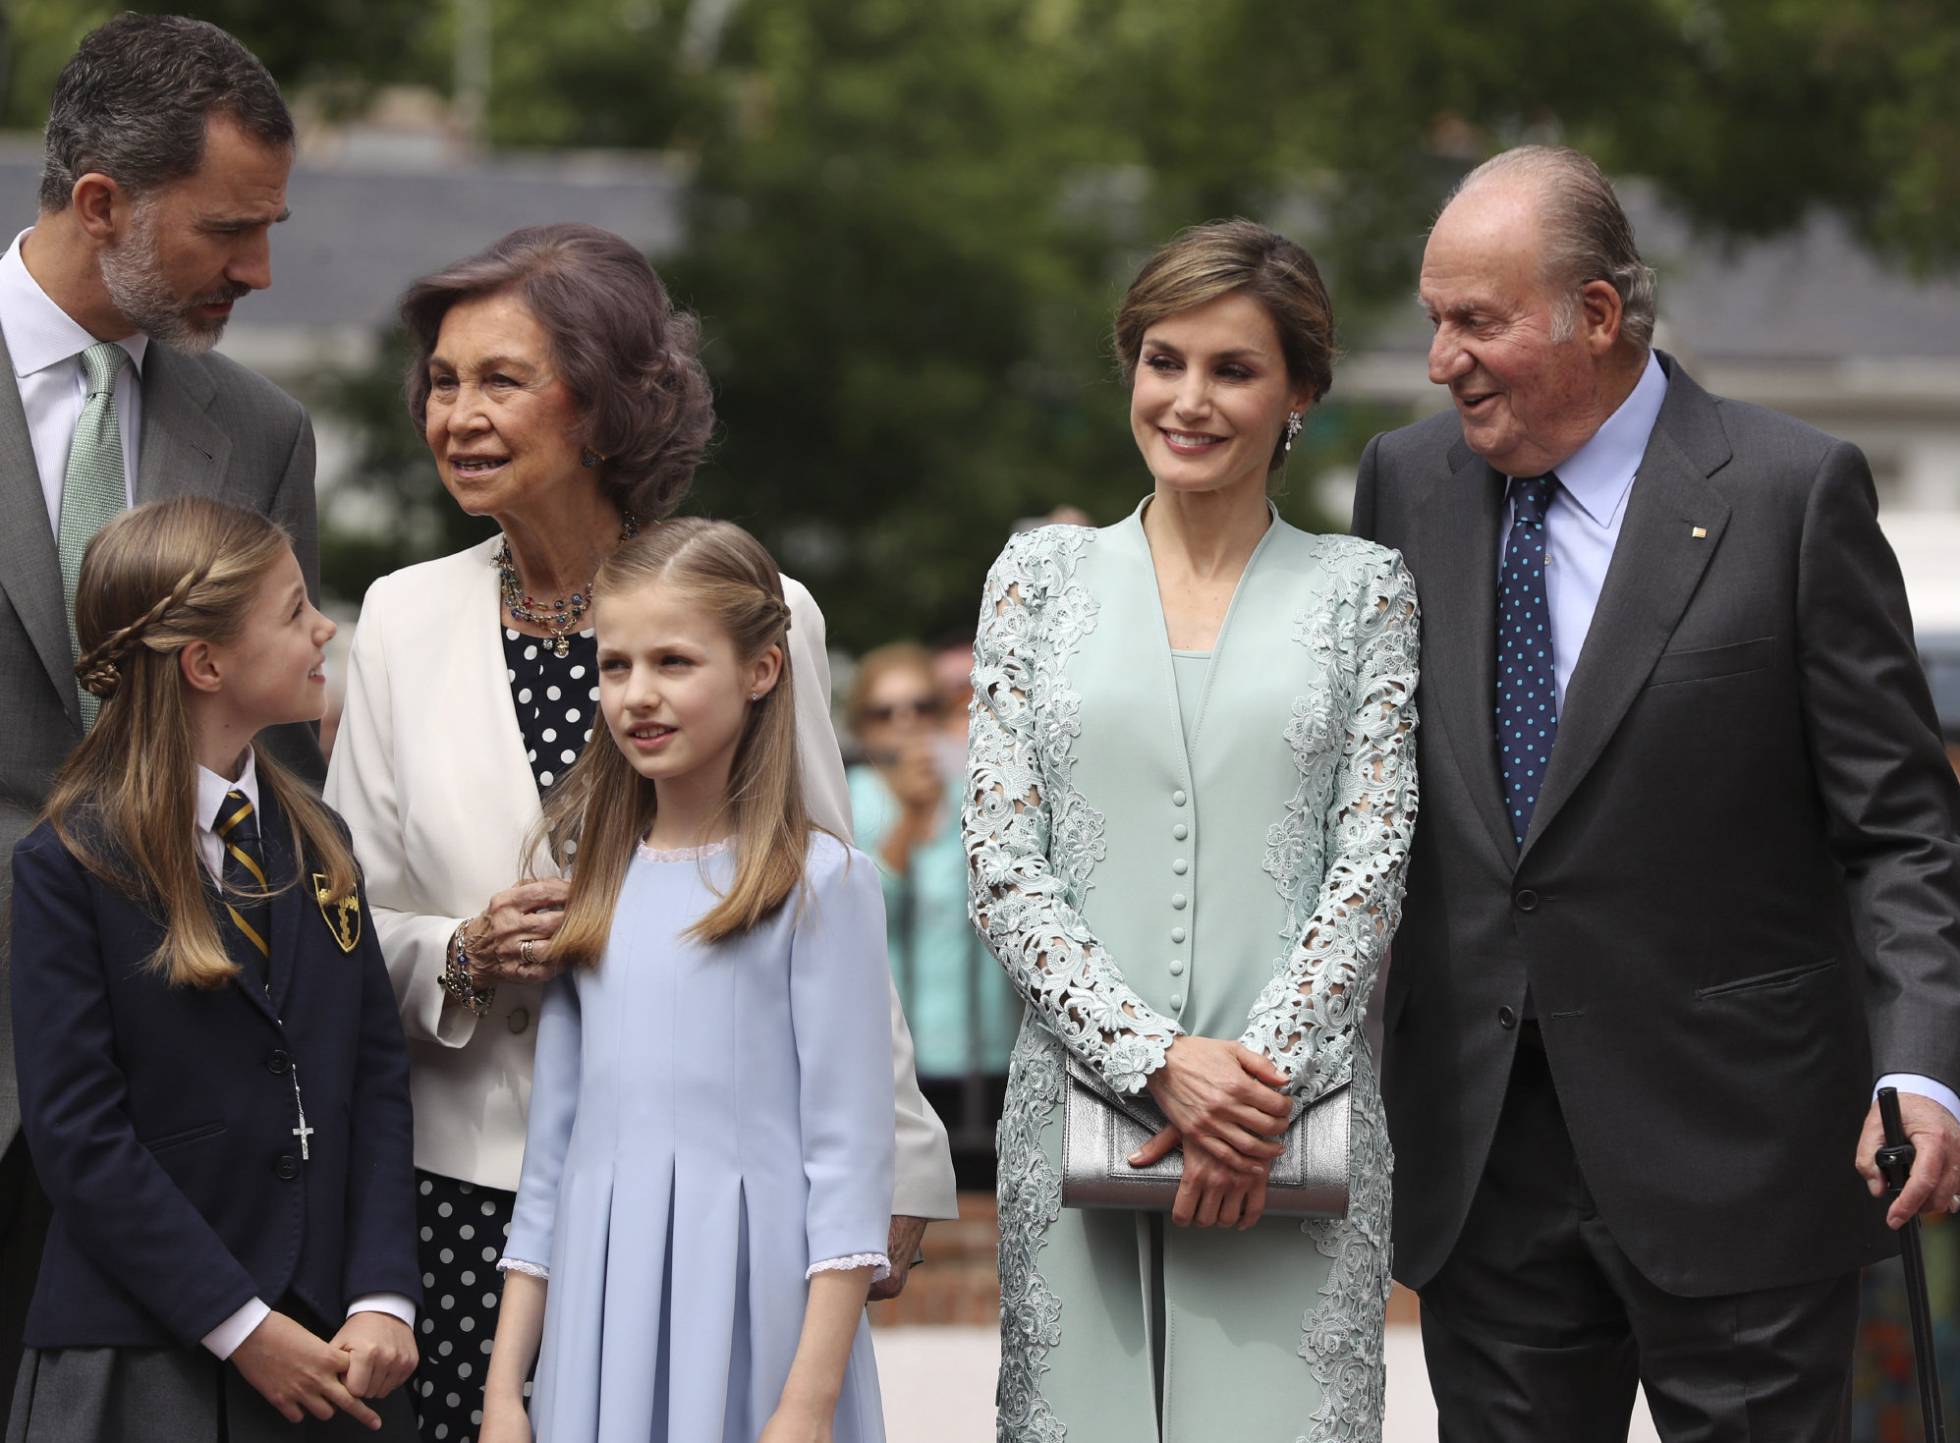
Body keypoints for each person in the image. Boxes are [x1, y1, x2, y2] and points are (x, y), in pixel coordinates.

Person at [1351, 145, 1960, 1441]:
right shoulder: (1403, 484)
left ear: (1594, 314)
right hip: (1485, 1166)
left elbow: (1902, 830)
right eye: (1435, 320)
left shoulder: (1791, 492)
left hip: (1742, 1154)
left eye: (1477, 321)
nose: (1442, 359)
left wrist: (1921, 1068)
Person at [322, 224, 955, 1441]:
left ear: (606, 402)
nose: (458, 415)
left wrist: (905, 1158)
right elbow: (349, 920)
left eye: (501, 379)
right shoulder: (400, 619)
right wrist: (462, 953)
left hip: (712, 1210)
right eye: (442, 383)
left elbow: (821, 891)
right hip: (465, 1191)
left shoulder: (762, 611)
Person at [964, 219, 1417, 1440]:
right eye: (1163, 361)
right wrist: (1157, 1062)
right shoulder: (1035, 579)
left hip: (1294, 1134)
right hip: (1073, 1125)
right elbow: (1001, 866)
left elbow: (1371, 866)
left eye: (1233, 369)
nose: (1189, 400)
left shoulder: (1365, 591)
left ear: (1300, 393)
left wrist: (1250, 1099)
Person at [0, 16, 322, 1419]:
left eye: (269, 228)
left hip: (179, 1102)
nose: (258, 270)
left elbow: (281, 768)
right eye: (229, 230)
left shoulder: (264, 431)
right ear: (100, 203)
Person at [6, 498, 418, 1441]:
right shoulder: (69, 863)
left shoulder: (321, 840)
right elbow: (78, 1135)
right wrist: (240, 1324)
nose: (325, 628)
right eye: (293, 610)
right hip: (146, 1358)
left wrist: (383, 1294)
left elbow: (375, 1078)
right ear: (205, 664)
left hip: (337, 1350)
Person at [479, 518, 893, 1443]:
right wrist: (506, 1389)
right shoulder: (593, 887)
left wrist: (807, 1403)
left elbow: (849, 1168)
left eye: (674, 661)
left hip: (760, 1320)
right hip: (599, 1313)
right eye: (616, 664)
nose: (638, 694)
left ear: (762, 669)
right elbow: (549, 1163)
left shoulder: (821, 886)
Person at [847, 644, 1018, 1183]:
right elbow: (859, 919)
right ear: (862, 727)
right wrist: (909, 819)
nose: (905, 723)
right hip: (893, 1054)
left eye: (921, 706)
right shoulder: (851, 797)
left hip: (989, 1048)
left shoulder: (982, 794)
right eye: (885, 712)